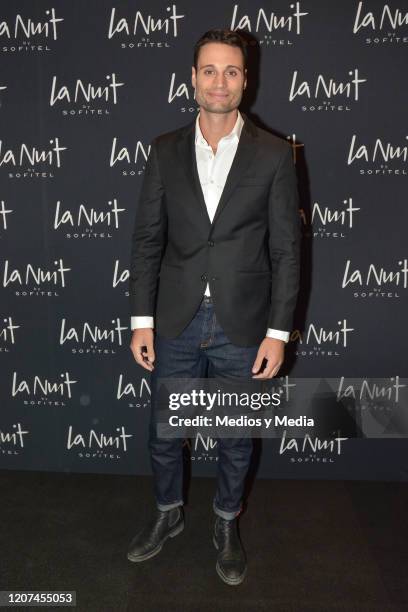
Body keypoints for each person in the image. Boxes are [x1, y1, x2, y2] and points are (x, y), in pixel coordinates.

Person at [127, 28, 301, 586]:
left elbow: (285, 249)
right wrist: (141, 320)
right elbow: (147, 241)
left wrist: (278, 331)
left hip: (241, 323)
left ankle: (225, 523)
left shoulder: (276, 154)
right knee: (164, 435)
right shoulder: (163, 150)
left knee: (232, 436)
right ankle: (168, 513)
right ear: (193, 78)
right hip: (175, 319)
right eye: (209, 70)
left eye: (231, 71)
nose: (219, 81)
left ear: (245, 81)